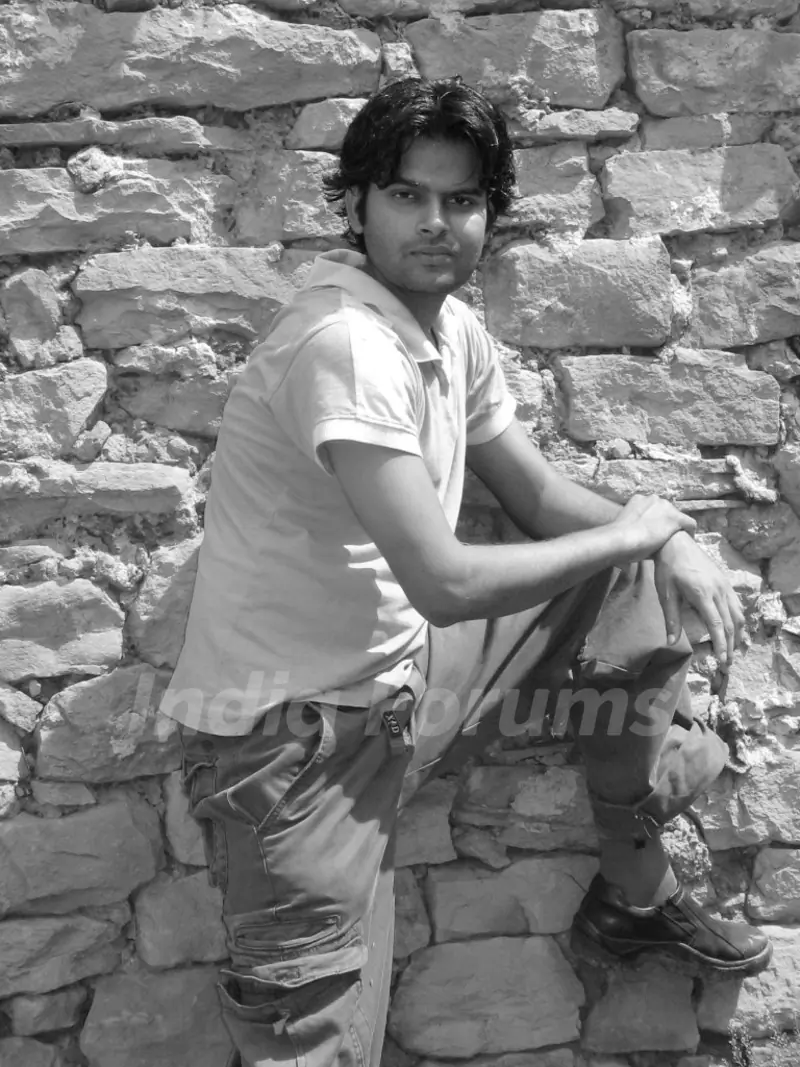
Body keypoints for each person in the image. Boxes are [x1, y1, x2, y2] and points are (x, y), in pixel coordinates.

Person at [161, 77, 771, 1067]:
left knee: (622, 577)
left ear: (491, 213)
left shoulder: (447, 333)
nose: (434, 223)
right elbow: (443, 581)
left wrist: (662, 539)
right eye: (407, 195)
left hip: (406, 684)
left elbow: (537, 495)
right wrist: (636, 531)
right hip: (293, 748)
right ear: (358, 205)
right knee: (320, 1044)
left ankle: (636, 887)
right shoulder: (347, 344)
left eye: (462, 200)